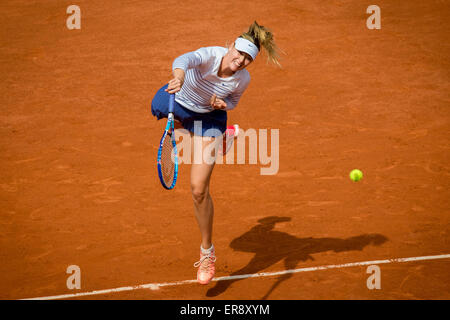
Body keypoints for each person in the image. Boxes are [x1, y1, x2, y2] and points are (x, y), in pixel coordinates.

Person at [151, 21, 281, 285]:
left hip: (209, 118)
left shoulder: (242, 79)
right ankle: (213, 139)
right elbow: (184, 59)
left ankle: (207, 252)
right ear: (231, 46)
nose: (241, 60)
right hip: (180, 102)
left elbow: (232, 101)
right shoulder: (209, 56)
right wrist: (178, 76)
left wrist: (222, 103)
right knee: (157, 107)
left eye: (248, 59)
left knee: (199, 189)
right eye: (239, 53)